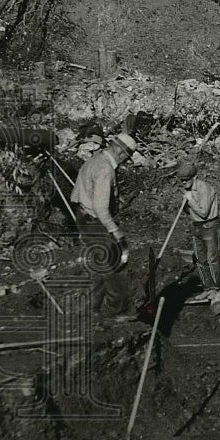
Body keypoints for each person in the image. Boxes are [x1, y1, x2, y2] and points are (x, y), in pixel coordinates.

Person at [70, 132, 137, 315]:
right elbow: (100, 207)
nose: (125, 161)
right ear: (121, 153)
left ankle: (91, 306)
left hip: (83, 216)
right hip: (95, 221)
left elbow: (79, 191)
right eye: (126, 157)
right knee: (111, 265)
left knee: (98, 263)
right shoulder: (105, 169)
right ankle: (118, 307)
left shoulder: (94, 160)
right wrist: (114, 230)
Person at [176, 161, 220, 290]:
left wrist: (191, 200)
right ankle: (207, 286)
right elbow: (188, 212)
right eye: (181, 180)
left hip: (210, 226)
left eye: (185, 180)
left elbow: (204, 212)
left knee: (212, 259)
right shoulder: (188, 190)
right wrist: (185, 204)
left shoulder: (204, 188)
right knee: (199, 259)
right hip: (196, 227)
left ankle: (218, 287)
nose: (182, 183)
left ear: (194, 177)